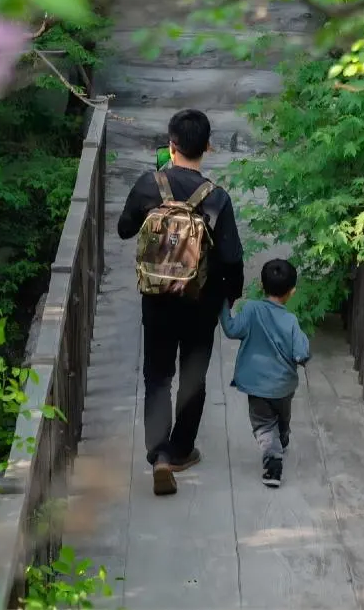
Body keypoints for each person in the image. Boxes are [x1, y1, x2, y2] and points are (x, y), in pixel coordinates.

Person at [118, 109, 244, 496]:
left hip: (156, 301)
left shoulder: (147, 184)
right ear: (207, 146)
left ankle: (158, 455)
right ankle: (182, 449)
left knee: (157, 376)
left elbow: (124, 230)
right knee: (193, 378)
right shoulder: (216, 198)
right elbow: (232, 259)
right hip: (199, 304)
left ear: (171, 145)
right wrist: (229, 298)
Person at [220, 259, 310, 488]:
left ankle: (273, 461)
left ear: (261, 285)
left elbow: (231, 330)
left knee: (263, 425)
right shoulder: (290, 321)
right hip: (283, 386)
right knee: (282, 417)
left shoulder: (250, 310)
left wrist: (221, 305)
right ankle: (282, 438)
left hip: (257, 385)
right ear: (292, 292)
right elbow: (301, 352)